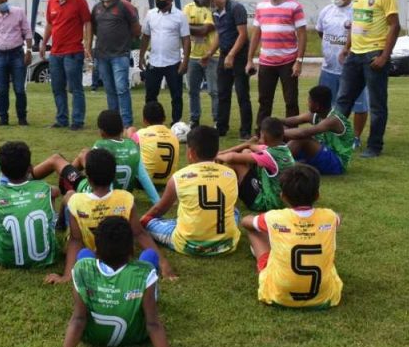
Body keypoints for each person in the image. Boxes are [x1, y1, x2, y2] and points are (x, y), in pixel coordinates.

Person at [31, 216, 198, 347]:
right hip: (136, 336)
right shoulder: (145, 273)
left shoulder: (81, 269)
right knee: (149, 256)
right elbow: (153, 323)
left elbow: (78, 319)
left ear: (97, 250)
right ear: (131, 250)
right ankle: (145, 293)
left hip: (94, 337)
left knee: (82, 255)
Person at [45, 148, 174, 284]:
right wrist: (164, 263)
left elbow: (75, 241)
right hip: (119, 256)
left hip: (90, 255)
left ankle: (59, 224)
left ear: (88, 178)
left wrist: (67, 276)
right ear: (113, 177)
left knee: (69, 195)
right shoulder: (126, 199)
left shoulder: (76, 202)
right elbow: (140, 234)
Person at [239, 164, 343, 309]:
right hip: (324, 297)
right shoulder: (329, 217)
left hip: (279, 296)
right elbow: (338, 217)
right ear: (317, 195)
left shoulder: (274, 217)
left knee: (254, 230)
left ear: (283, 196)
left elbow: (245, 222)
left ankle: (264, 266)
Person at [139, 126, 240, 257]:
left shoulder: (179, 177)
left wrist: (143, 219)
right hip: (227, 244)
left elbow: (158, 210)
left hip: (189, 245)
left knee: (149, 222)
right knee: (235, 212)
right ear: (216, 152)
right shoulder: (230, 174)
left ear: (191, 152)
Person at [335, 0, 400, 158]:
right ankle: (334, 141)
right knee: (343, 99)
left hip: (374, 55)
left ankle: (374, 146)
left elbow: (394, 26)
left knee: (377, 104)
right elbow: (356, 22)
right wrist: (347, 47)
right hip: (354, 54)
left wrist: (384, 56)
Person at [33, 110, 160, 204]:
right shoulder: (132, 146)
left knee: (56, 159)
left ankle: (24, 178)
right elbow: (144, 178)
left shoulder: (100, 145)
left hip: (97, 192)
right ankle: (64, 181)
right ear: (122, 129)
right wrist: (157, 201)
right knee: (84, 153)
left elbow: (95, 176)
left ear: (102, 132)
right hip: (121, 193)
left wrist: (107, 202)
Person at [0, 141, 60, 268]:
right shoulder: (44, 188)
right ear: (30, 168)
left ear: (1, 171)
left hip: (5, 259)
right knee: (49, 200)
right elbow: (56, 191)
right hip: (48, 255)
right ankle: (50, 227)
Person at [315, 0, 369, 148]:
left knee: (359, 105)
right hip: (329, 68)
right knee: (324, 105)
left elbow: (361, 35)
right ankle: (326, 135)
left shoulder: (356, 11)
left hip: (352, 69)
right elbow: (320, 32)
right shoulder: (326, 11)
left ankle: (356, 137)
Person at [248, 0, 306, 123]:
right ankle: (261, 133)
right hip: (266, 62)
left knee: (291, 101)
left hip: (288, 62)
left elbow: (302, 35)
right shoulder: (261, 6)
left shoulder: (295, 6)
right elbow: (256, 34)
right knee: (264, 101)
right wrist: (249, 59)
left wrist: (299, 61)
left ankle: (292, 135)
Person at [41, 0, 91, 130]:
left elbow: (87, 23)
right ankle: (61, 119)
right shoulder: (51, 2)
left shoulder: (80, 2)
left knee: (75, 88)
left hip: (73, 51)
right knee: (57, 87)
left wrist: (87, 45)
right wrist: (43, 43)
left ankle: (77, 121)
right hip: (55, 52)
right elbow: (50, 24)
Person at [201, 0, 252, 140]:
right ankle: (222, 127)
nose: (208, 8)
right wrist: (210, 53)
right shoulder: (215, 12)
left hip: (239, 55)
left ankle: (246, 130)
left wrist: (232, 55)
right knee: (222, 92)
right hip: (224, 54)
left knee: (242, 93)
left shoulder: (236, 8)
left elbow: (243, 35)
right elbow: (219, 33)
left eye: (207, 5)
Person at [215, 116, 295, 212]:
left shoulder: (269, 155)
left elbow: (231, 157)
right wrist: (221, 153)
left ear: (264, 136)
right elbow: (249, 146)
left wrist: (217, 156)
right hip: (281, 197)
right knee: (246, 152)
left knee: (235, 163)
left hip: (268, 202)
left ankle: (226, 198)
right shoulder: (283, 149)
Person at [91, 0, 141, 127]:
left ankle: (126, 123)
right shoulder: (96, 8)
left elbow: (136, 29)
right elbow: (94, 28)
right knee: (109, 90)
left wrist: (124, 40)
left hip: (120, 54)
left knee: (121, 89)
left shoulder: (125, 6)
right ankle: (113, 122)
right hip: (102, 55)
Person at [139, 0, 190, 126]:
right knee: (150, 95)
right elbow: (145, 36)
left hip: (173, 62)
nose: (158, 0)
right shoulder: (150, 14)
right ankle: (151, 122)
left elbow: (186, 39)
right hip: (154, 62)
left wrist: (185, 61)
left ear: (170, 0)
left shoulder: (180, 16)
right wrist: (141, 56)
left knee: (176, 95)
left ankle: (176, 123)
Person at [282, 85, 354, 175]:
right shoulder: (317, 114)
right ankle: (276, 160)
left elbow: (304, 133)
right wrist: (272, 122)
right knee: (283, 128)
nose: (307, 103)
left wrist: (277, 132)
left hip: (336, 164)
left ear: (317, 106)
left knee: (302, 138)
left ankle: (275, 162)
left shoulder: (333, 120)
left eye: (309, 101)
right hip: (320, 154)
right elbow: (291, 120)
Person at [183, 0, 218, 128]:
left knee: (214, 91)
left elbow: (205, 31)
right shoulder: (188, 8)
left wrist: (187, 27)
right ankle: (194, 119)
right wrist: (194, 28)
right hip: (193, 56)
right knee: (192, 91)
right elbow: (182, 29)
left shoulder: (211, 8)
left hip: (212, 56)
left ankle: (217, 120)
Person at [125, 101, 180, 187]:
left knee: (130, 131)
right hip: (168, 182)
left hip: (143, 182)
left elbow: (129, 147)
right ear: (164, 118)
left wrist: (129, 132)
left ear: (144, 120)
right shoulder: (174, 135)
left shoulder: (140, 134)